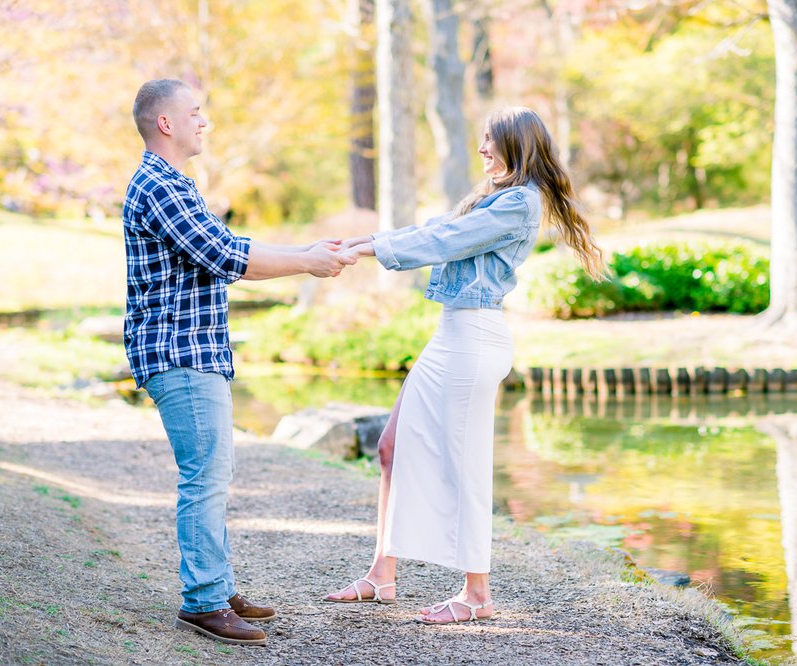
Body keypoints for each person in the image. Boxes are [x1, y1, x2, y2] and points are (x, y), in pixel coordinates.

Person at [324, 107, 605, 623]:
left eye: (489, 141)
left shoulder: (521, 203)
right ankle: (381, 575)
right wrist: (371, 241)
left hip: (474, 339)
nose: (481, 150)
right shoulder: (494, 198)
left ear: (517, 147)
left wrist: (373, 249)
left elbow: (445, 242)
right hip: (451, 334)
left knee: (466, 466)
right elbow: (438, 228)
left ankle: (478, 595)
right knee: (391, 447)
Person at [123, 78, 353, 646]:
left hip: (192, 350)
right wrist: (307, 263)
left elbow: (225, 242)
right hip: (180, 352)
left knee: (213, 474)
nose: (206, 122)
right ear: (167, 124)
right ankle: (202, 601)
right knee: (205, 477)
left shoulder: (175, 183)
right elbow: (226, 256)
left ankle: (217, 587)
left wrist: (304, 252)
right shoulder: (160, 185)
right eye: (196, 112)